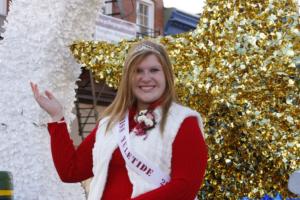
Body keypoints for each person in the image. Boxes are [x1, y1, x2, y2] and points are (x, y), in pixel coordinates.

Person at [31, 40, 208, 200]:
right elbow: (71, 170)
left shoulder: (183, 121)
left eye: (154, 70)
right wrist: (57, 117)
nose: (146, 78)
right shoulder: (110, 121)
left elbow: (185, 187)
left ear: (166, 76)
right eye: (138, 71)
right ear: (128, 78)